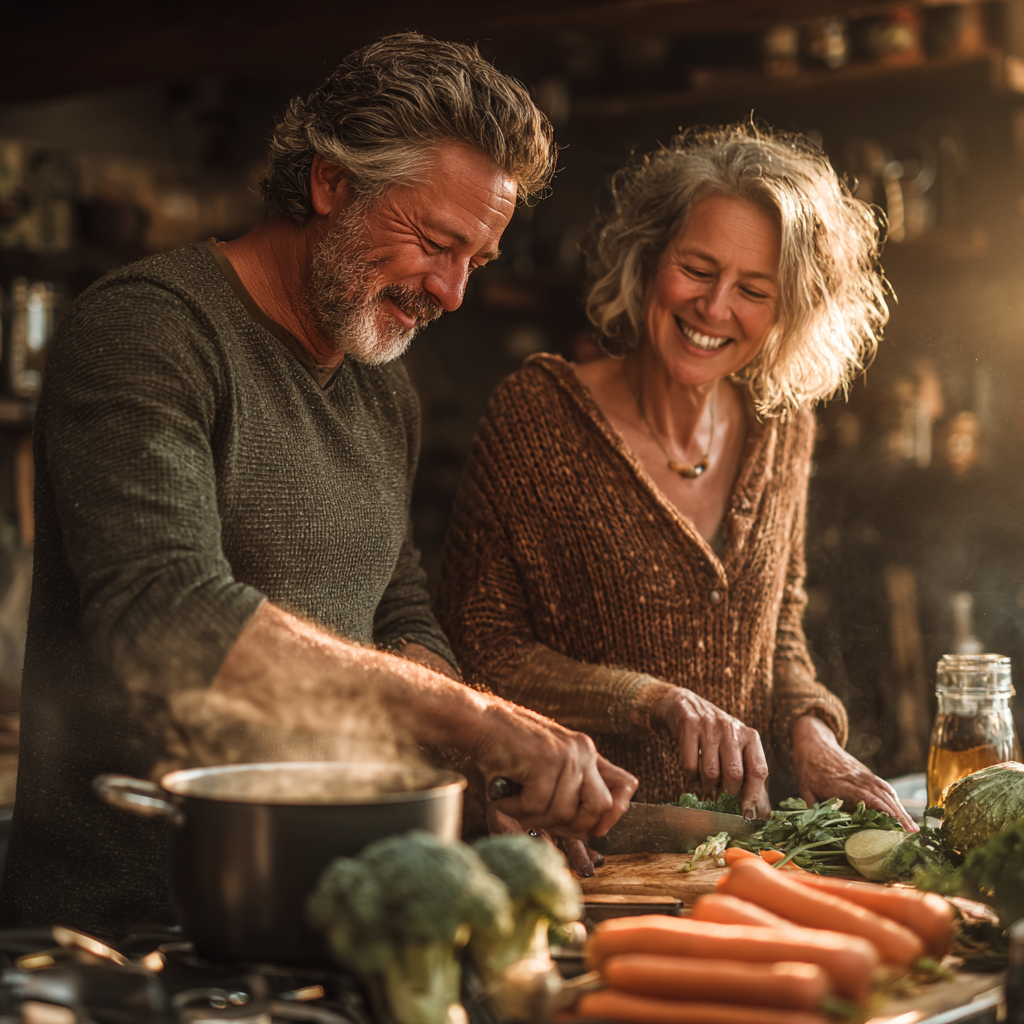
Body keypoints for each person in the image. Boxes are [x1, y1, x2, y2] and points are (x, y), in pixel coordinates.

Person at [0, 34, 637, 936]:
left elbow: (398, 611)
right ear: (330, 183)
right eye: (436, 242)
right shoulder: (149, 329)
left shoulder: (384, 384)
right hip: (135, 927)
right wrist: (480, 718)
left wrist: (476, 761)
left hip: (328, 908)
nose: (452, 294)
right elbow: (165, 615)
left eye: (477, 261)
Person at [435, 123, 916, 838]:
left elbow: (775, 634)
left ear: (788, 310)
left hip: (742, 851)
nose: (715, 308)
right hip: (576, 841)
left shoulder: (781, 424)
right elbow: (482, 652)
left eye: (754, 289)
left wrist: (813, 736)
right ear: (648, 255)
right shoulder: (540, 417)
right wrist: (651, 698)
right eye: (697, 268)